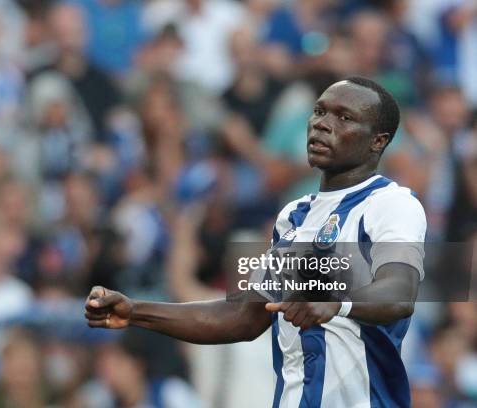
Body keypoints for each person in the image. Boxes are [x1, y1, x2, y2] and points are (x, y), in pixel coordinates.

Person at [85, 77, 427, 407]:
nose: (322, 124)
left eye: (344, 117)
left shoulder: (391, 204)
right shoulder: (293, 217)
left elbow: (398, 291)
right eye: (320, 111)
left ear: (378, 141)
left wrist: (336, 302)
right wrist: (136, 311)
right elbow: (242, 316)